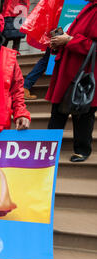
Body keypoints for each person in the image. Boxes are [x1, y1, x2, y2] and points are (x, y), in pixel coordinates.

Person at [45, 0, 97, 163]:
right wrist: (60, 42)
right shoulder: (90, 7)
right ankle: (48, 148)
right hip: (68, 69)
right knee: (58, 110)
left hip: (84, 70)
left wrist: (68, 41)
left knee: (84, 110)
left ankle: (82, 149)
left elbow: (92, 45)